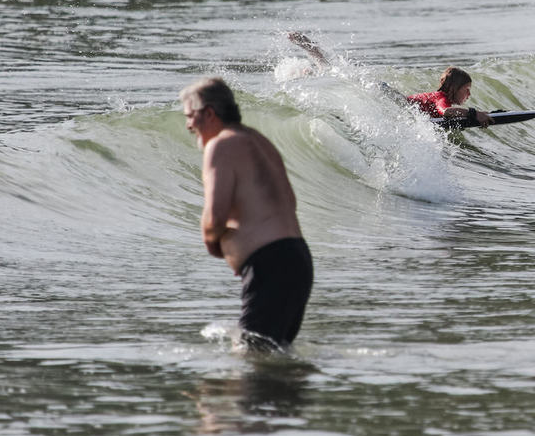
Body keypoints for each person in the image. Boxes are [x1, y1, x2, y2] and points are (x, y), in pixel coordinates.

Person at [180, 77, 313, 352]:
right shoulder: (260, 141)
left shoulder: (221, 146)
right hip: (297, 259)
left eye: (190, 116)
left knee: (250, 363)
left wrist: (212, 240)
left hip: (271, 265)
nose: (188, 125)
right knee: (272, 358)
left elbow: (214, 220)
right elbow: (290, 202)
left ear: (209, 113)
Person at [287, 32, 492, 127]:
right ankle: (309, 63)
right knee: (334, 75)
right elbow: (445, 112)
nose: (469, 94)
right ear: (455, 88)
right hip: (389, 98)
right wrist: (475, 114)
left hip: (387, 95)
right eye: (466, 89)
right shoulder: (441, 98)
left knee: (334, 74)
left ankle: (309, 62)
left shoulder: (439, 95)